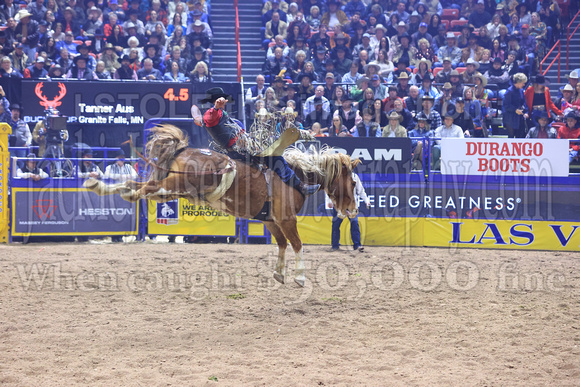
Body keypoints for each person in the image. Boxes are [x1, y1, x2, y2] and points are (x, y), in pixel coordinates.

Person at [196, 87, 320, 197]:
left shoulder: (220, 115)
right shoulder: (212, 114)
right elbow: (209, 118)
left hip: (242, 144)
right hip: (239, 149)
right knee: (274, 157)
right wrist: (215, 108)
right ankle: (300, 186)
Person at [327, 173, 369, 252]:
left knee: (354, 223)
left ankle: (357, 245)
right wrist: (329, 201)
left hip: (351, 206)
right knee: (336, 225)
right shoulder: (335, 177)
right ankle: (335, 245)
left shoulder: (354, 176)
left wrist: (366, 200)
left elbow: (360, 191)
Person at [503, 73, 529, 138]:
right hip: (510, 118)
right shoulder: (509, 91)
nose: (524, 84)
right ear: (518, 82)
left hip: (519, 117)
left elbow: (524, 103)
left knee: (520, 136)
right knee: (511, 136)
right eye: (523, 83)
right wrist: (515, 110)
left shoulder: (521, 90)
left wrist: (526, 112)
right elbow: (506, 105)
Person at [9, 103, 31, 167]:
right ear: (11, 112)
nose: (16, 112)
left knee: (21, 165)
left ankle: (20, 175)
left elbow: (29, 136)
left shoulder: (24, 124)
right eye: (14, 111)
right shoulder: (7, 123)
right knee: (12, 164)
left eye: (17, 111)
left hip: (21, 147)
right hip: (10, 148)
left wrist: (27, 144)